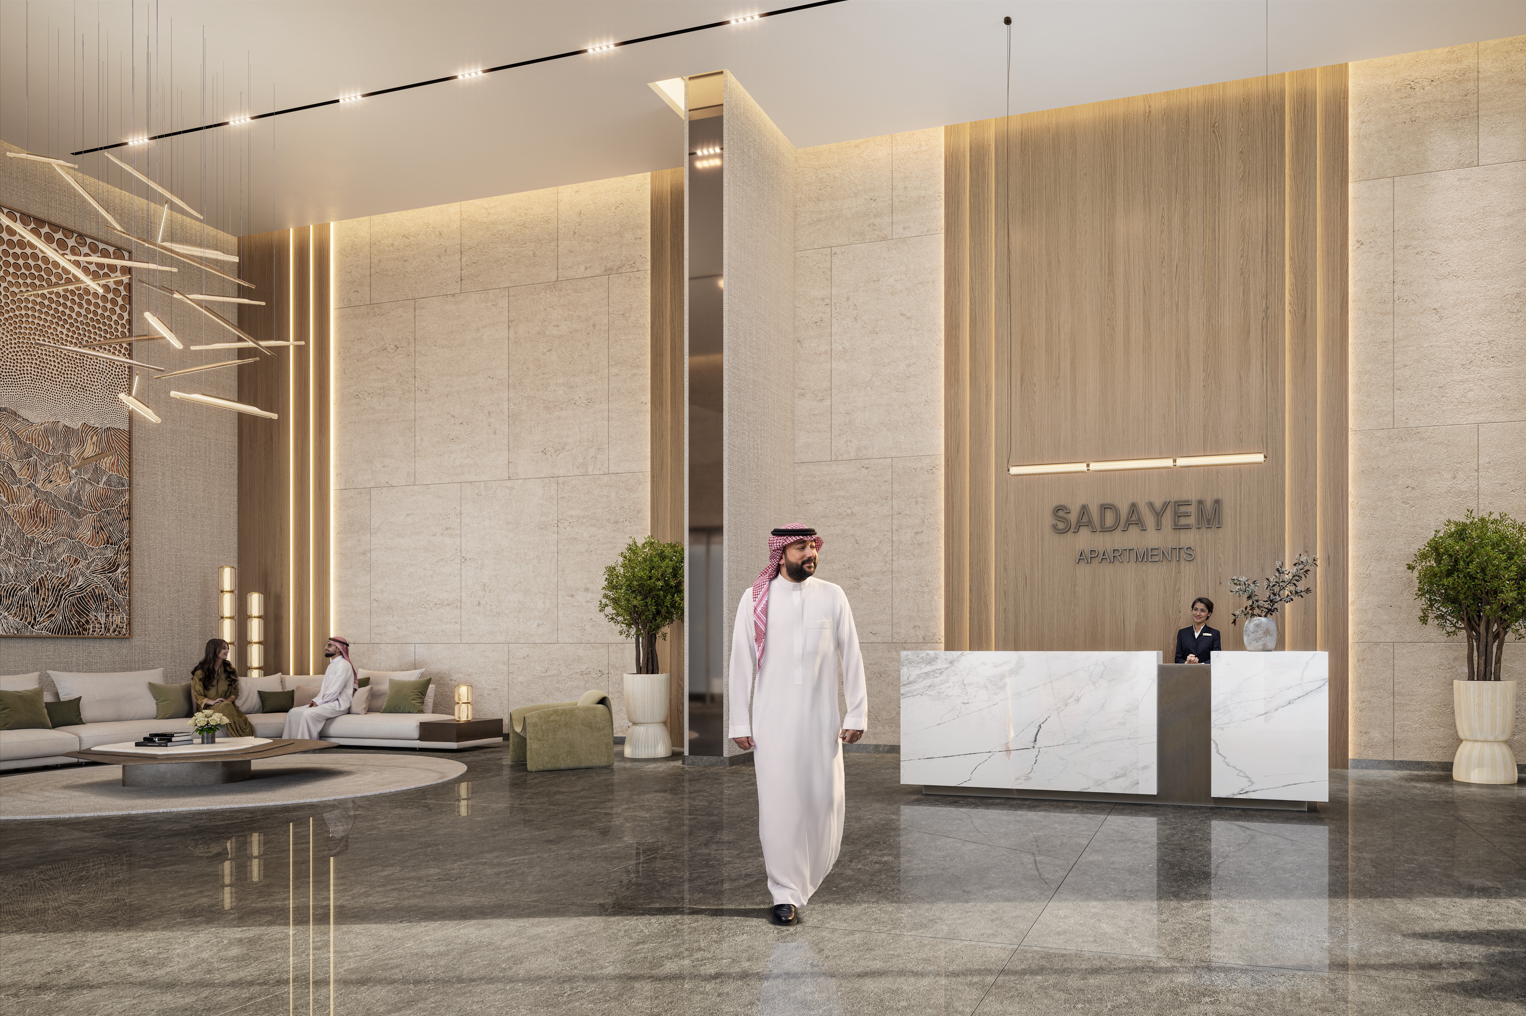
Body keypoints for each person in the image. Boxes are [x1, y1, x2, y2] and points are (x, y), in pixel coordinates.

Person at [728, 525, 867, 927]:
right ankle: (784, 893)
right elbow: (740, 662)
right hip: (772, 722)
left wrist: (856, 713)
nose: (810, 554)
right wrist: (740, 719)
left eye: (813, 546)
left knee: (826, 802)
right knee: (779, 808)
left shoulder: (832, 595)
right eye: (801, 548)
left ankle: (808, 876)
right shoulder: (756, 600)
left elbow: (851, 655)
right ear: (781, 553)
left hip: (822, 722)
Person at [283, 637, 357, 740]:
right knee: (293, 712)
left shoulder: (344, 665)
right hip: (327, 702)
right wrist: (315, 701)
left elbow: (334, 691)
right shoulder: (331, 666)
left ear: (339, 649)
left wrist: (319, 703)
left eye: (329, 645)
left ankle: (306, 747)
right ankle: (290, 745)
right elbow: (324, 690)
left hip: (339, 705)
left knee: (307, 714)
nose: (325, 647)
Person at [191, 638, 255, 738]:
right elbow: (198, 696)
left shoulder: (231, 669)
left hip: (227, 705)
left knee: (226, 706)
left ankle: (242, 739)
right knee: (225, 706)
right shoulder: (200, 672)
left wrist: (224, 702)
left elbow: (235, 693)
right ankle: (242, 739)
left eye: (227, 648)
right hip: (208, 708)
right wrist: (213, 702)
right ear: (213, 650)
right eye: (223, 648)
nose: (227, 651)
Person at [1175, 596, 1222, 664]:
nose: (1198, 614)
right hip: (1186, 673)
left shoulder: (1214, 633)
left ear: (1209, 613)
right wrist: (1187, 663)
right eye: (1195, 609)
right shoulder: (1182, 633)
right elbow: (1177, 659)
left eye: (1203, 611)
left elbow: (1217, 658)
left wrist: (1200, 665)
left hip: (1206, 673)